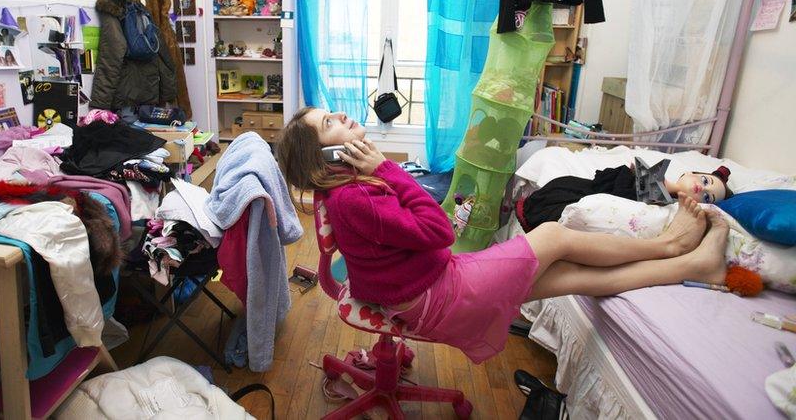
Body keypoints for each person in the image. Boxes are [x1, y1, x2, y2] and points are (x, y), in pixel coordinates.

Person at [276, 108, 728, 364]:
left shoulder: (348, 190)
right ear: (327, 155)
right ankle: (671, 245)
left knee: (569, 275)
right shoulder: (355, 196)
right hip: (438, 293)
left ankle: (691, 264)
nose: (338, 113)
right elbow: (437, 232)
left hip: (427, 286)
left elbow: (422, 235)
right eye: (327, 123)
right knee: (554, 236)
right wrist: (387, 168)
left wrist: (382, 174)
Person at [517, 161, 733, 231]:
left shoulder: (672, 211)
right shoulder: (653, 175)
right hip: (573, 191)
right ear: (689, 173)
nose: (701, 189)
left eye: (707, 198)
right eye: (705, 182)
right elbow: (604, 182)